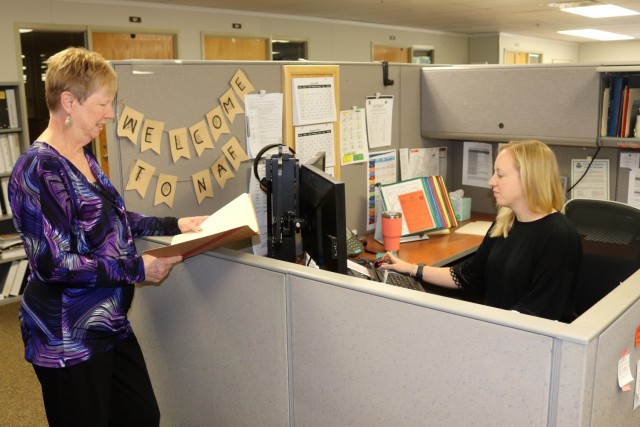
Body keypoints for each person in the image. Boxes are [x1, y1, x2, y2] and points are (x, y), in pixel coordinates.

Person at [8, 47, 208, 426]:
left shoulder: (82, 155)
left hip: (108, 324)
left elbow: (112, 219)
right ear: (69, 102)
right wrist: (136, 269)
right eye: (103, 104)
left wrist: (174, 224)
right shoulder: (38, 170)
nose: (110, 114)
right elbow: (53, 264)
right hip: (67, 336)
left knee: (141, 415)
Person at [379, 140, 582, 321]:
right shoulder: (505, 223)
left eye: (500, 175)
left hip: (528, 341)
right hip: (499, 329)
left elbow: (537, 312)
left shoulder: (559, 236)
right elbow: (469, 276)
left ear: (529, 179)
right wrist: (412, 269)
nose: (491, 181)